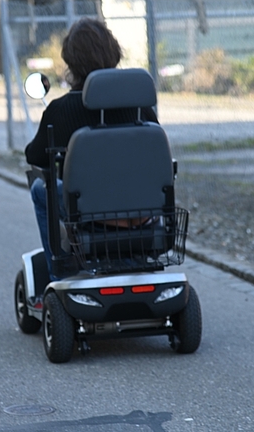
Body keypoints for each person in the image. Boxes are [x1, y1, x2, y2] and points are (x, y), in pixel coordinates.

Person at [25, 18, 159, 281]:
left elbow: (35, 156)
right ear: (114, 54)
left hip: (89, 211)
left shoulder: (60, 111)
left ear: (71, 62)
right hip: (142, 211)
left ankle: (59, 272)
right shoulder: (141, 107)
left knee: (40, 189)